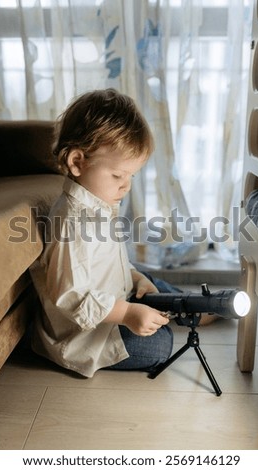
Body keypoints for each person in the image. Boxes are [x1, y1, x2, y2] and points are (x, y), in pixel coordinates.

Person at [29, 88, 175, 378]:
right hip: (83, 336)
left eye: (131, 176)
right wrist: (127, 314)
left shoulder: (97, 202)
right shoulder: (73, 222)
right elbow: (70, 294)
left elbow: (114, 260)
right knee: (162, 344)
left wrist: (135, 277)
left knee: (154, 284)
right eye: (118, 175)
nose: (127, 186)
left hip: (113, 293)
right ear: (77, 162)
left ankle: (192, 307)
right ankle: (188, 312)